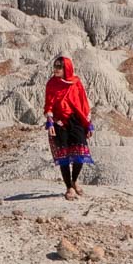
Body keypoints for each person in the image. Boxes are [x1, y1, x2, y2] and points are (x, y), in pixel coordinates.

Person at [44, 56, 94, 200]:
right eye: (55, 66)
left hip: (75, 120)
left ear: (67, 68)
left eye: (60, 66)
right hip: (59, 122)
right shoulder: (51, 84)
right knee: (64, 156)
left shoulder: (76, 82)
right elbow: (49, 104)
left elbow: (83, 102)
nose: (56, 69)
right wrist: (50, 122)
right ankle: (69, 187)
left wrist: (88, 124)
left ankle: (74, 179)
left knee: (81, 153)